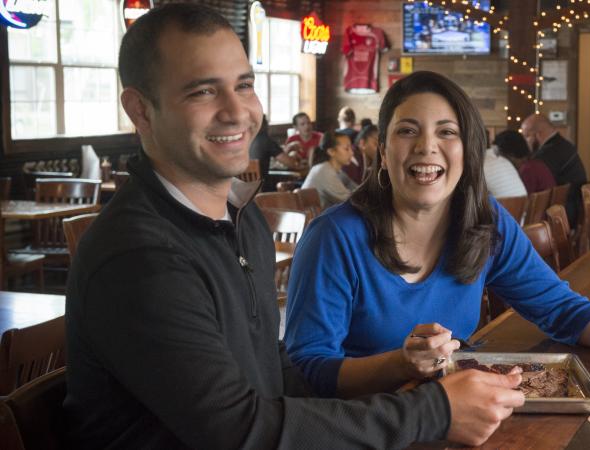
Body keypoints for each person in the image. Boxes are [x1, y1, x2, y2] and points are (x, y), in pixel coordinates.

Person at [64, 5, 526, 449]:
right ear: (141, 110)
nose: (236, 111)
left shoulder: (239, 221)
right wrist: (432, 411)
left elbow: (281, 376)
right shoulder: (139, 256)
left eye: (244, 85)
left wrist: (405, 376)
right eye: (202, 91)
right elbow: (240, 431)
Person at [285, 71, 590, 401]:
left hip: (449, 411)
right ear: (382, 151)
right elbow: (309, 369)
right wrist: (400, 364)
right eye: (407, 131)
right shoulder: (334, 237)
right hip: (363, 425)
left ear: (469, 151)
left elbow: (557, 307)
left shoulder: (485, 221)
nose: (426, 148)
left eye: (448, 132)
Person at [521, 114, 587, 226]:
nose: (526, 142)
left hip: (564, 213)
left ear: (538, 134)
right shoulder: (562, 144)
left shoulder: (548, 153)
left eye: (527, 136)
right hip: (572, 207)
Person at [302, 131, 359, 208]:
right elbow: (351, 201)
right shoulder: (324, 171)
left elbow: (358, 189)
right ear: (331, 151)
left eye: (351, 148)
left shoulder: (337, 171)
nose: (352, 153)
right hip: (314, 219)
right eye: (346, 149)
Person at [493, 129, 556, 194]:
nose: (499, 160)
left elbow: (519, 198)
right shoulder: (537, 164)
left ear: (510, 154)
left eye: (499, 155)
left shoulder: (527, 170)